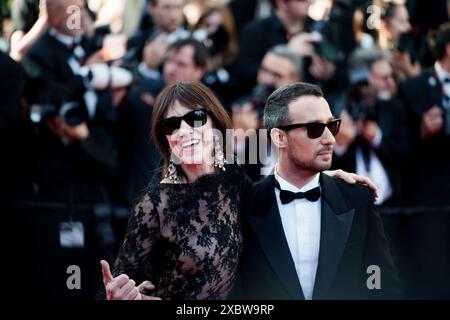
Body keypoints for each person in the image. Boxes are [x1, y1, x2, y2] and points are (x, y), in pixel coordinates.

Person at [100, 81, 379, 300]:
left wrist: (324, 176)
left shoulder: (234, 181)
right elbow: (118, 283)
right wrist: (124, 294)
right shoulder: (154, 205)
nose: (184, 130)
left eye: (195, 118)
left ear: (215, 122)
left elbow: (275, 190)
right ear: (165, 138)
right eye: (172, 125)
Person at [233, 82, 401, 299]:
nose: (330, 139)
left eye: (332, 126)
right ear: (279, 137)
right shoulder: (246, 204)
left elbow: (378, 279)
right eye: (315, 129)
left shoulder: (356, 199)